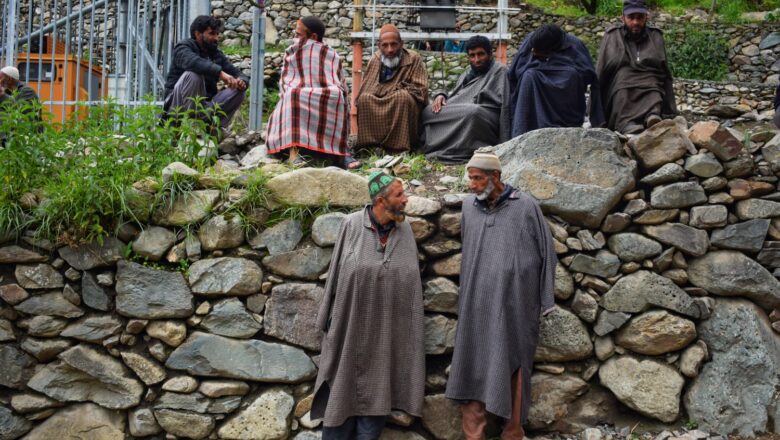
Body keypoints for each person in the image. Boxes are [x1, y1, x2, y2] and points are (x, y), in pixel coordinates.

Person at [445, 150, 557, 440]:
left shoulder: (525, 206)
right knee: (471, 362)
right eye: (470, 179)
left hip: (514, 307)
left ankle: (512, 432)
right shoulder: (469, 207)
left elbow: (547, 254)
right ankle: (475, 435)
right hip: (475, 305)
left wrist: (546, 300)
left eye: (478, 179)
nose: (472, 185)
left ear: (496, 177)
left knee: (513, 365)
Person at [311, 171, 425, 440]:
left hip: (386, 340)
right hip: (350, 336)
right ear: (381, 201)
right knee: (339, 406)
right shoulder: (351, 225)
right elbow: (336, 278)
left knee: (373, 414)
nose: (406, 200)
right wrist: (328, 323)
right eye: (399, 195)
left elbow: (410, 286)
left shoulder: (405, 231)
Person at [266, 16, 359, 169]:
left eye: (299, 35)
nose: (295, 38)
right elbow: (286, 82)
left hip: (325, 92)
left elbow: (340, 83)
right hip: (299, 92)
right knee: (292, 94)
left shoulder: (331, 55)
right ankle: (294, 154)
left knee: (338, 95)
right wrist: (299, 88)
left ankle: (342, 154)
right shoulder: (292, 52)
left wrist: (334, 91)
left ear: (313, 37)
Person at [420, 36, 510, 163]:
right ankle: (437, 147)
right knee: (428, 111)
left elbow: (505, 105)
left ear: (490, 54)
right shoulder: (468, 71)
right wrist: (442, 95)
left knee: (472, 112)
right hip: (462, 109)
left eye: (480, 54)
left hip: (485, 114)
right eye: (472, 56)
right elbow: (456, 93)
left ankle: (458, 150)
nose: (476, 60)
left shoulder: (501, 70)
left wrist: (505, 142)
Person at [507, 24, 604, 137]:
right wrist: (543, 63)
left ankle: (564, 129)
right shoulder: (531, 41)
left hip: (565, 104)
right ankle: (522, 132)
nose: (533, 52)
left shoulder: (574, 45)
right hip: (535, 89)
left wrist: (555, 65)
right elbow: (515, 72)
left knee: (571, 75)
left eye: (539, 51)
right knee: (529, 75)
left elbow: (587, 75)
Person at [596, 0, 677, 134]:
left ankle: (652, 116)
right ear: (623, 18)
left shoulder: (655, 36)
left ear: (647, 17)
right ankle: (625, 123)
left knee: (653, 84)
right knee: (622, 87)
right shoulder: (612, 35)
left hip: (650, 76)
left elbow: (664, 71)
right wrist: (595, 111)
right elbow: (601, 70)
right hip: (621, 80)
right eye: (631, 17)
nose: (635, 22)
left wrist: (670, 109)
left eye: (640, 17)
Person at [163, 15, 248, 133]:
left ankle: (214, 128)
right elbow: (192, 62)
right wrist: (220, 73)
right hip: (177, 107)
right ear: (198, 34)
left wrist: (242, 81)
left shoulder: (215, 54)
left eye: (217, 34)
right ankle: (190, 124)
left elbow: (236, 72)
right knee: (193, 75)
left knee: (239, 90)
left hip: (205, 106)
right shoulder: (183, 47)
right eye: (212, 33)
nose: (216, 38)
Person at [355, 24, 429, 153]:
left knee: (402, 97)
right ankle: (370, 146)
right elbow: (366, 88)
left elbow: (420, 90)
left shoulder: (413, 58)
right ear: (379, 46)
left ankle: (398, 148)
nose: (390, 50)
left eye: (394, 44)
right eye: (385, 45)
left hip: (401, 99)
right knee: (364, 99)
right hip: (379, 97)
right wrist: (386, 91)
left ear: (401, 44)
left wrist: (397, 88)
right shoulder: (375, 59)